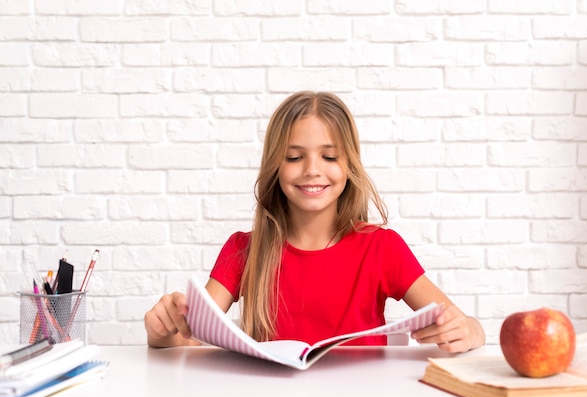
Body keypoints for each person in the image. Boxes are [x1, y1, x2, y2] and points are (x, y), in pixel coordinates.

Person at [144, 91, 485, 353]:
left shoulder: (381, 248)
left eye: (329, 156)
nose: (311, 169)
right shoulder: (243, 250)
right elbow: (188, 340)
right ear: (275, 167)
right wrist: (162, 332)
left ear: (348, 164)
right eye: (294, 157)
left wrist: (469, 331)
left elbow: (462, 324)